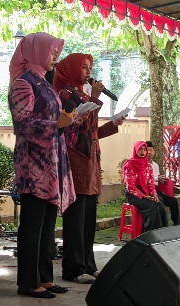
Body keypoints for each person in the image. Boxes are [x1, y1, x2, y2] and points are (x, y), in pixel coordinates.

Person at [8, 32, 75, 299]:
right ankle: (27, 281)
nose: (55, 56)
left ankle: (45, 278)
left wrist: (69, 121)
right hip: (33, 166)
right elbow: (21, 124)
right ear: (36, 52)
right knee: (32, 227)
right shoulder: (23, 83)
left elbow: (54, 119)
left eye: (57, 52)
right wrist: (55, 125)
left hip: (51, 162)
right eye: (52, 51)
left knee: (47, 227)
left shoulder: (44, 83)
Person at [52, 53, 124, 285]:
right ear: (72, 69)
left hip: (91, 161)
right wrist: (94, 99)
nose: (88, 72)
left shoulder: (83, 94)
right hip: (75, 160)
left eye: (89, 67)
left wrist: (112, 125)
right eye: (83, 67)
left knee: (89, 217)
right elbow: (74, 129)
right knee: (76, 217)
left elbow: (91, 132)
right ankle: (73, 268)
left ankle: (88, 264)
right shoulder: (66, 94)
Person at [123, 141, 167, 232]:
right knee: (152, 207)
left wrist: (154, 194)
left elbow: (150, 183)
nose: (143, 152)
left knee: (160, 205)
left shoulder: (148, 166)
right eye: (140, 149)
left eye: (144, 149)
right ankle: (150, 234)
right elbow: (130, 186)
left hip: (146, 191)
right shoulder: (129, 165)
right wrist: (143, 196)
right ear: (135, 150)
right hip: (134, 195)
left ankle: (162, 232)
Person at [145, 141, 178, 225]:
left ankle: (177, 222)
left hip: (156, 190)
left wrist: (163, 180)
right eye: (147, 150)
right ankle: (162, 225)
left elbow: (157, 180)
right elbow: (145, 179)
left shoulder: (155, 165)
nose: (149, 153)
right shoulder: (142, 165)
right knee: (161, 201)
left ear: (154, 152)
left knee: (173, 201)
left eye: (151, 150)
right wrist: (157, 178)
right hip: (147, 190)